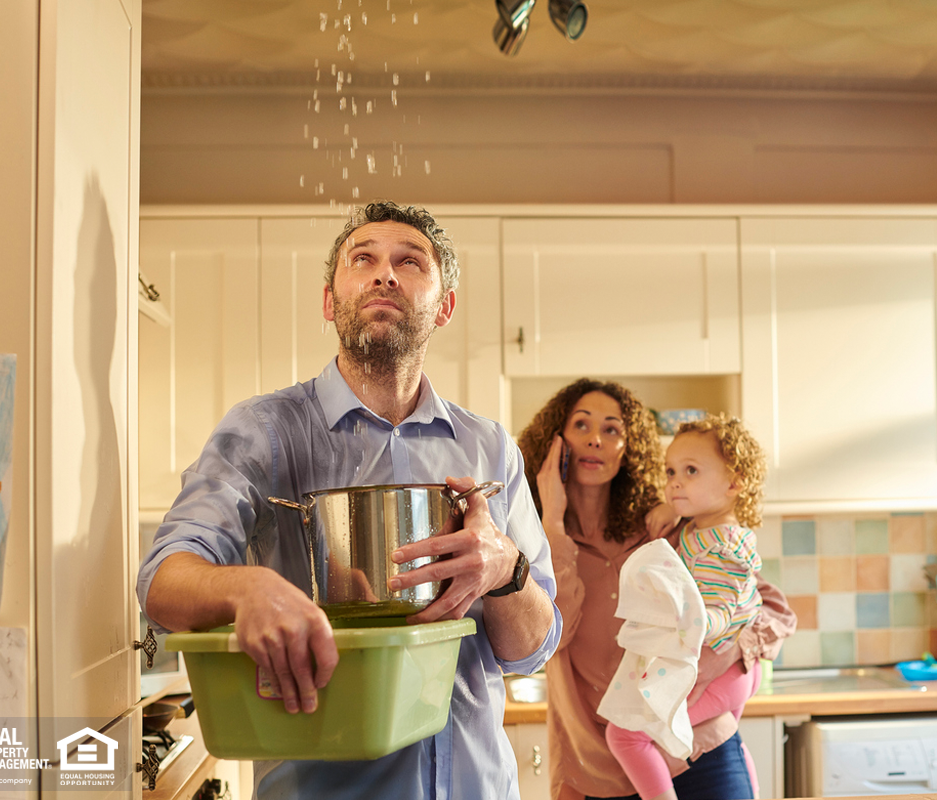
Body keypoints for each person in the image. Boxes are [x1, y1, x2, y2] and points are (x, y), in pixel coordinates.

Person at [137, 201, 561, 800]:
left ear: (444, 306)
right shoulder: (266, 431)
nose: (385, 273)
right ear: (330, 300)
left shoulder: (489, 447)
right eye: (363, 259)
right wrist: (248, 589)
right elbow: (161, 582)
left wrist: (505, 569)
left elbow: (531, 651)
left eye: (410, 262)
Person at [517, 379, 796, 800]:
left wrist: (724, 661)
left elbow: (769, 607)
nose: (596, 439)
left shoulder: (663, 529)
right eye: (581, 425)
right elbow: (549, 638)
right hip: (597, 770)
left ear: (628, 449)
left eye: (612, 429)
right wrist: (553, 523)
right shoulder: (532, 543)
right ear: (556, 442)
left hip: (699, 750)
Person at [602, 413, 769, 800]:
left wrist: (699, 623)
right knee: (708, 734)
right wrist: (674, 510)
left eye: (691, 471)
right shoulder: (700, 529)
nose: (675, 481)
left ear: (735, 482)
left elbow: (722, 607)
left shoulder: (722, 546)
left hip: (724, 671)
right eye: (671, 470)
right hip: (731, 670)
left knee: (626, 734)